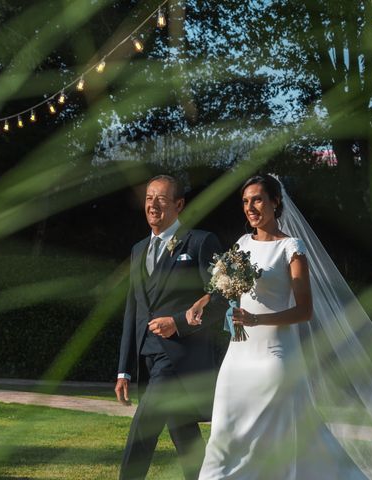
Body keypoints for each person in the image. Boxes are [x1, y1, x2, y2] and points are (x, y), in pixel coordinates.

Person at [186, 174, 372, 479]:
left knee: (280, 436)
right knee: (223, 432)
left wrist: (258, 320)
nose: (250, 207)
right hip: (238, 356)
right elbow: (223, 286)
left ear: (275, 202)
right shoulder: (242, 244)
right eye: (245, 201)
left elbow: (304, 310)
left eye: (257, 199)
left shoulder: (291, 248)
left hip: (274, 357)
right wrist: (202, 301)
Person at [115, 174, 227, 480]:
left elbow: (220, 299)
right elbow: (133, 310)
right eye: (149, 198)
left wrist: (177, 323)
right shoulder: (139, 249)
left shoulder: (200, 242)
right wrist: (124, 369)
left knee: (144, 428)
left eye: (161, 199)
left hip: (179, 357)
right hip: (147, 357)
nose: (153, 205)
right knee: (185, 437)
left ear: (178, 205)